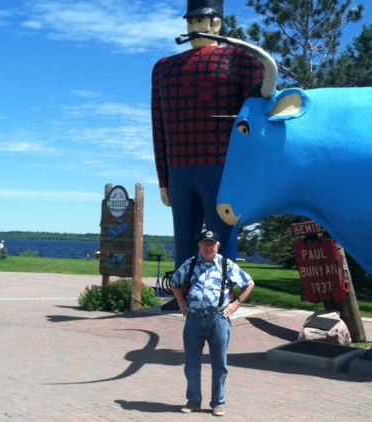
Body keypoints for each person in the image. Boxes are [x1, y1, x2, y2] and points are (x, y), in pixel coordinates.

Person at [152, 0, 265, 269]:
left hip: (221, 166)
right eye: (190, 22)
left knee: (222, 236)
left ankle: (222, 291)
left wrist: (249, 173)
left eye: (199, 21)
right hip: (179, 167)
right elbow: (159, 126)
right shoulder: (164, 68)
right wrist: (163, 179)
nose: (193, 27)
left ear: (216, 23)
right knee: (183, 237)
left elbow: (254, 119)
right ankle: (182, 290)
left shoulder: (241, 59)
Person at [171, 230, 255, 417]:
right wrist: (182, 305)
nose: (208, 247)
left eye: (212, 244)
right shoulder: (191, 264)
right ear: (199, 246)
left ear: (218, 246)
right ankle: (193, 401)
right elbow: (174, 282)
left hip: (218, 320)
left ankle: (218, 403)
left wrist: (236, 303)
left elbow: (249, 283)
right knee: (191, 363)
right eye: (205, 243)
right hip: (193, 320)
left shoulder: (227, 265)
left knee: (219, 363)